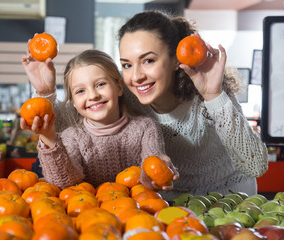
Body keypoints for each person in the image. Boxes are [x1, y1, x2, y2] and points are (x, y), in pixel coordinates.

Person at [21, 10, 268, 200]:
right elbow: (67, 123)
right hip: (171, 210)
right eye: (127, 64)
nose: (136, 76)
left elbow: (255, 165)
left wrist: (214, 95)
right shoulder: (127, 95)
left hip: (231, 203)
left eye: (148, 60)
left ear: (174, 59)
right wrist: (45, 91)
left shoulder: (206, 96)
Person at [21, 49, 178, 190]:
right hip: (89, 215)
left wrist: (156, 176)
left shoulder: (145, 128)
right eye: (81, 91)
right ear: (73, 102)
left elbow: (150, 166)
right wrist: (48, 137)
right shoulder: (72, 136)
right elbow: (65, 182)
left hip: (136, 214)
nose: (93, 95)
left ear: (119, 87)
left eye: (100, 84)